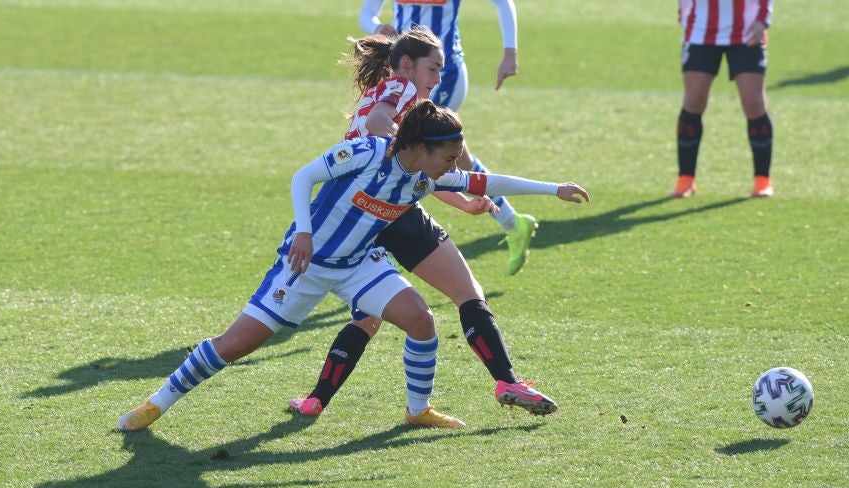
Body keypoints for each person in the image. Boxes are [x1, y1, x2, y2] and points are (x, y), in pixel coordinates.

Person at [118, 100, 590, 431]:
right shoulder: (366, 153)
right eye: (447, 156)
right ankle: (156, 405)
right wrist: (303, 231)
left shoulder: (424, 176)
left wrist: (554, 189)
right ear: (421, 147)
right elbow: (303, 176)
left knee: (421, 321)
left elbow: (485, 180)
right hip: (306, 265)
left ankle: (417, 410)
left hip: (359, 264)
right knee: (235, 345)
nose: (452, 165)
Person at [288, 31, 589, 421]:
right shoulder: (399, 87)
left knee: (369, 317)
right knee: (465, 293)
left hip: (369, 212)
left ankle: (317, 400)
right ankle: (504, 381)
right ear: (408, 64)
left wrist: (461, 201)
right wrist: (402, 149)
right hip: (381, 212)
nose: (438, 77)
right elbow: (389, 133)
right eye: (434, 68)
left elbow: (423, 176)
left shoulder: (405, 100)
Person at [360, 0, 537, 275]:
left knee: (423, 157)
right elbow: (367, 12)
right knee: (453, 158)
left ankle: (377, 249)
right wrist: (376, 27)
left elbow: (502, 3)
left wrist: (510, 52)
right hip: (408, 75)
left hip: (444, 75)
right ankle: (513, 222)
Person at [671, 0, 775, 198]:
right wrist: (683, 12)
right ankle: (685, 179)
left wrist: (763, 19)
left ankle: (763, 180)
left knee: (753, 103)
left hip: (747, 29)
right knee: (694, 101)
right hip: (699, 30)